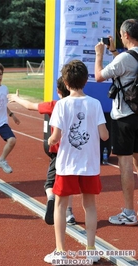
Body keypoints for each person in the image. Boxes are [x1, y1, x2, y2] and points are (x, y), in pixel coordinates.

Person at [44, 60, 109, 263]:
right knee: (90, 205)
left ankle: (61, 251)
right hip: (89, 164)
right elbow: (105, 135)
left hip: (67, 164)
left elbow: (55, 137)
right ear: (86, 80)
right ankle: (90, 250)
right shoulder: (95, 104)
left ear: (65, 81)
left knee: (61, 206)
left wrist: (49, 141)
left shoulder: (61, 105)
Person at [8, 78, 76, 225]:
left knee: (49, 184)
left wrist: (16, 98)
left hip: (57, 151)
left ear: (58, 92)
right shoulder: (79, 105)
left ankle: (51, 197)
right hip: (74, 152)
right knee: (69, 182)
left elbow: (30, 106)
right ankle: (69, 213)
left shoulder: (54, 105)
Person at [94, 18, 138, 225]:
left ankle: (129, 212)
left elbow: (99, 76)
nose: (119, 37)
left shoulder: (123, 60)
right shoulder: (127, 57)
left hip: (124, 116)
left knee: (125, 162)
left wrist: (100, 55)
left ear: (126, 35)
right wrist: (114, 52)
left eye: (121, 34)